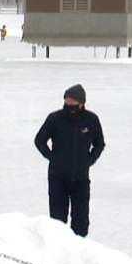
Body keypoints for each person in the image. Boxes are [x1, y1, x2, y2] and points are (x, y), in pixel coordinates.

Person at [33, 85, 105, 237]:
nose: (70, 105)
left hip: (81, 179)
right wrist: (52, 157)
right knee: (57, 223)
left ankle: (78, 254)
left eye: (73, 102)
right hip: (57, 177)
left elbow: (99, 144)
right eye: (67, 101)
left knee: (81, 223)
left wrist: (89, 160)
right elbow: (39, 140)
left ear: (82, 103)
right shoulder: (55, 118)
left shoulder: (91, 120)